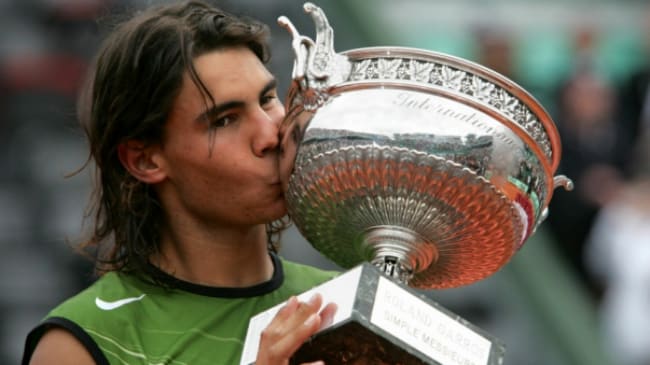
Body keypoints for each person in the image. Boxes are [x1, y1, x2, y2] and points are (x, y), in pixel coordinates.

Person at [21, 1, 338, 364]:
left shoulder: (334, 302)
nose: (271, 135)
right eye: (225, 120)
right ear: (145, 159)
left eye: (267, 99)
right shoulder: (85, 340)